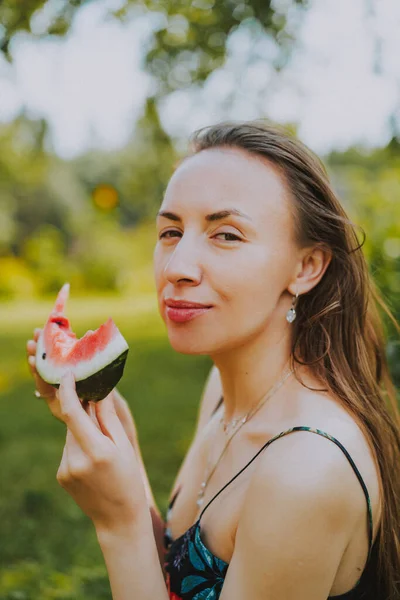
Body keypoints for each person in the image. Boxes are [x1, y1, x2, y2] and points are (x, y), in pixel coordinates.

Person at [26, 121, 400, 600]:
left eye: (226, 235)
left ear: (306, 267)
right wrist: (119, 447)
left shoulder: (305, 471)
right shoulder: (222, 392)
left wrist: (119, 525)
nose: (177, 267)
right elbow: (170, 576)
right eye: (170, 231)